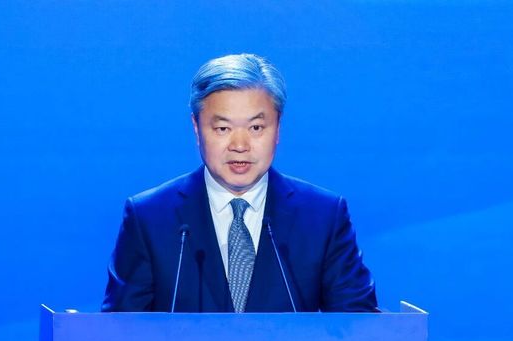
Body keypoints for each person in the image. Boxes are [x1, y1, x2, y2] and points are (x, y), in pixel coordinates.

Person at [102, 53, 377, 313]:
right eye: (223, 128)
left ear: (278, 128)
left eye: (256, 128)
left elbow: (360, 326)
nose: (240, 145)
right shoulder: (148, 218)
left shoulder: (323, 216)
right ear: (197, 128)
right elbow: (119, 332)